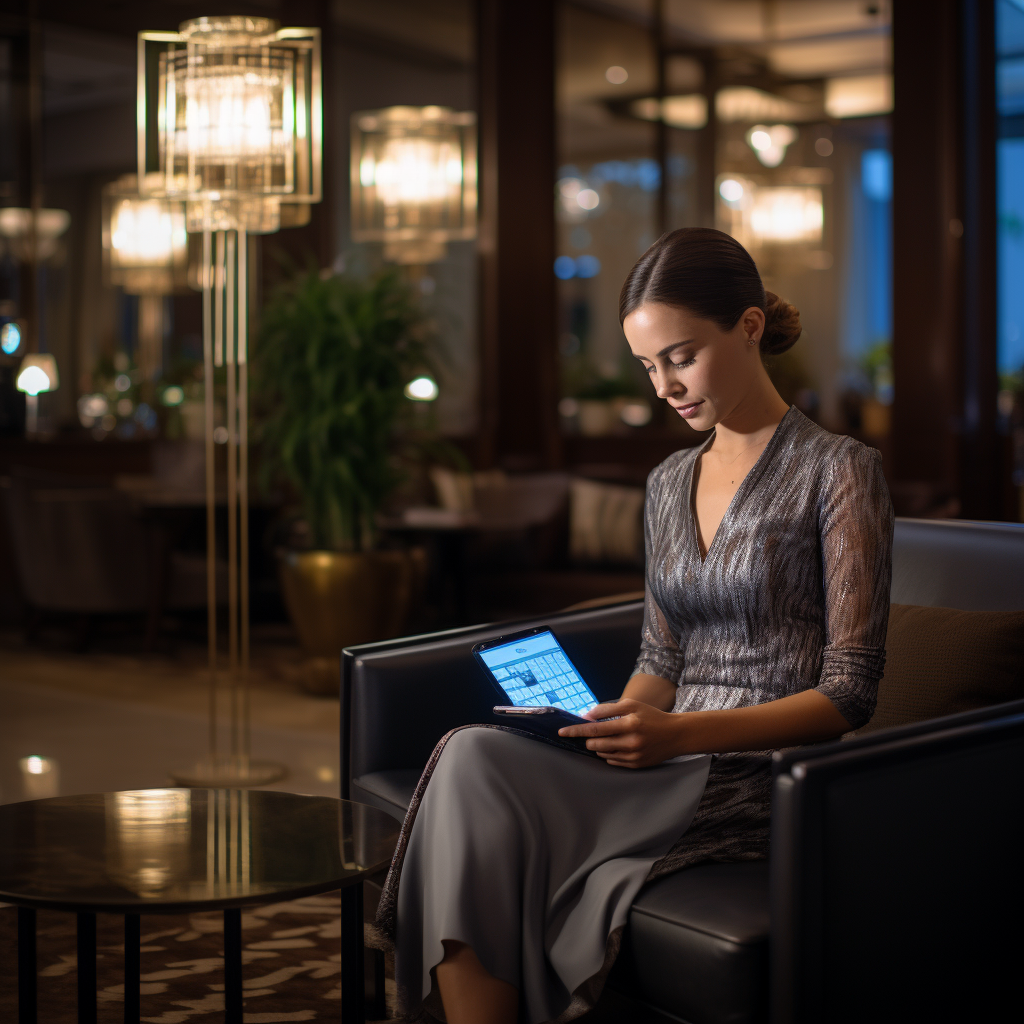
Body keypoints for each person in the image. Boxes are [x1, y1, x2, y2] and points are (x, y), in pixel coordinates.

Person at [375, 227, 893, 1024]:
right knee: (472, 755)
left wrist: (676, 736)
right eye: (650, 367)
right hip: (668, 753)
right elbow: (661, 654)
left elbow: (849, 694)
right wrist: (610, 725)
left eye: (680, 357)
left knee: (474, 772)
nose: (665, 387)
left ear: (749, 327)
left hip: (766, 775)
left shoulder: (840, 470)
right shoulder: (667, 481)